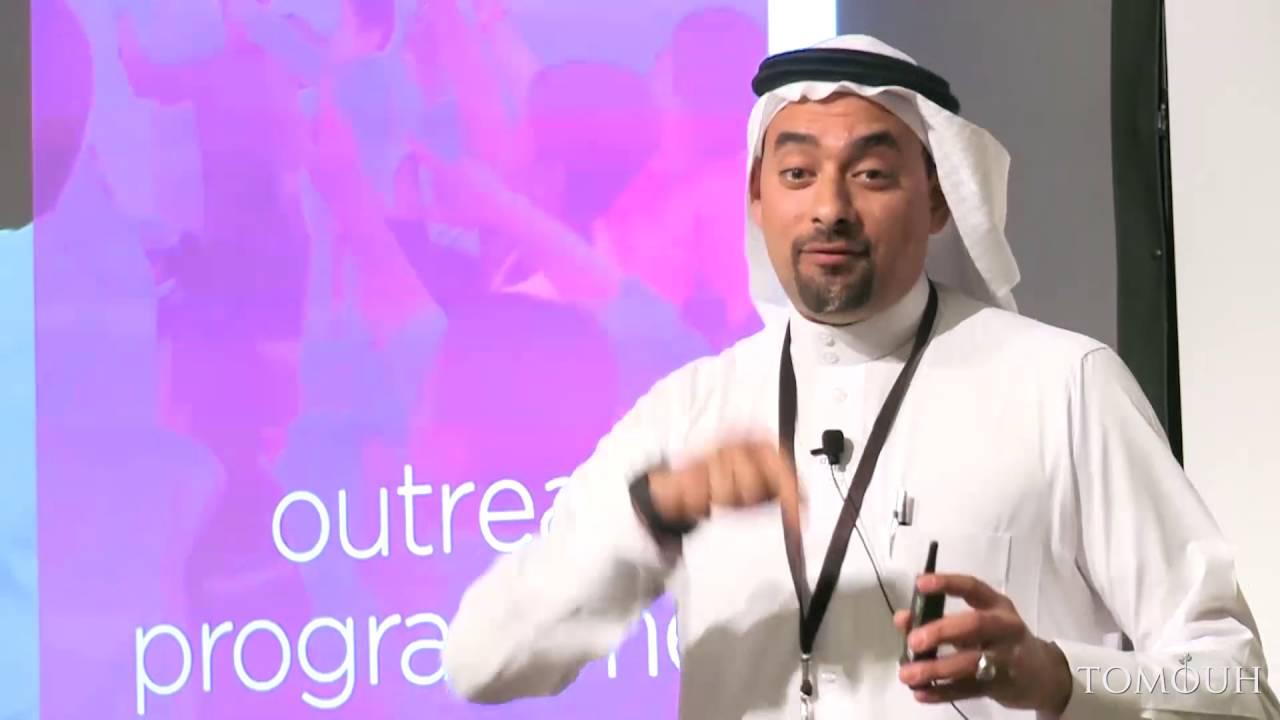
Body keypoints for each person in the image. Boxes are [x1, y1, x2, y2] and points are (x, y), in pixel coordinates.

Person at [441, 35, 1279, 719]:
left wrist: (1059, 675)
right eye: (797, 174)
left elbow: (1238, 687)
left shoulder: (1062, 386)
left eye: (872, 174)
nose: (830, 208)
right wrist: (652, 514)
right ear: (757, 199)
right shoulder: (687, 413)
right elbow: (482, 662)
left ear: (939, 200)